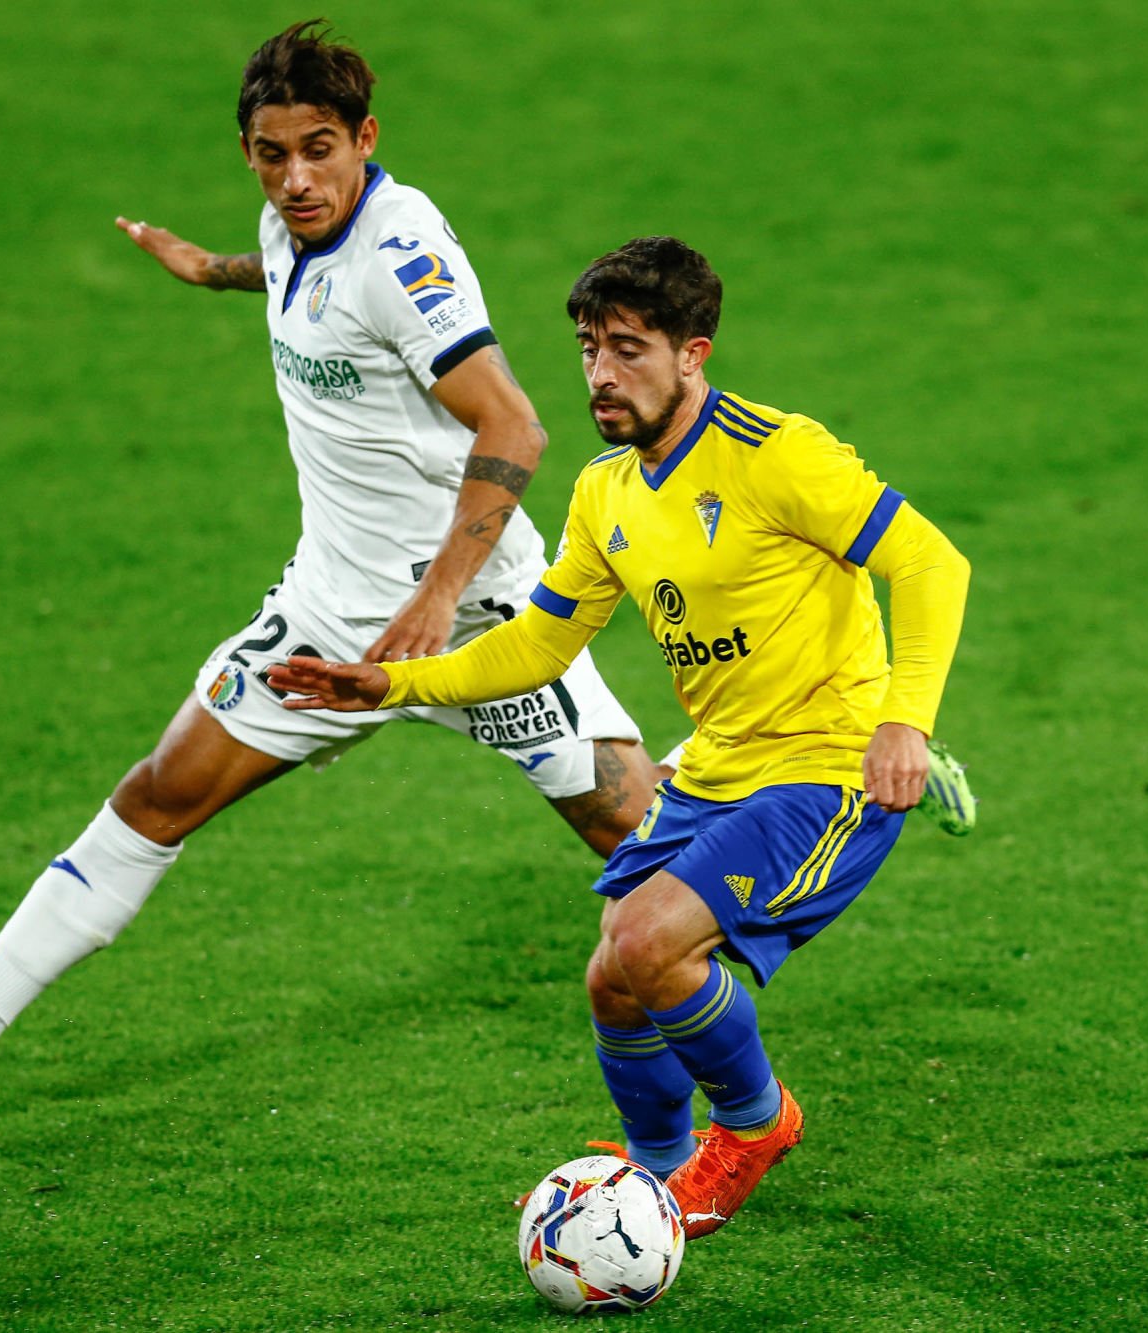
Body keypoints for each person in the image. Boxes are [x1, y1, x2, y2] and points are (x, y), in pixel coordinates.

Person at [0, 20, 663, 1101]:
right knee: (160, 792)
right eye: (272, 155)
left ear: (365, 139)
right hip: (325, 611)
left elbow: (515, 426)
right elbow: (284, 270)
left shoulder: (401, 259)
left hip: (474, 622)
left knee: (651, 848)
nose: (296, 179)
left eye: (319, 150)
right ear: (249, 153)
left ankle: (813, 816)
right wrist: (206, 269)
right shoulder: (288, 223)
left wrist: (436, 597)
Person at [270, 236, 971, 1237]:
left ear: (693, 353)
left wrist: (904, 721)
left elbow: (931, 562)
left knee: (649, 941)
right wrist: (390, 681)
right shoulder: (606, 491)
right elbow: (538, 644)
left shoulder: (777, 453)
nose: (601, 373)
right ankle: (656, 1176)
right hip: (721, 764)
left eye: (629, 349)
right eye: (589, 348)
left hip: (830, 760)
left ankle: (754, 1124)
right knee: (613, 977)